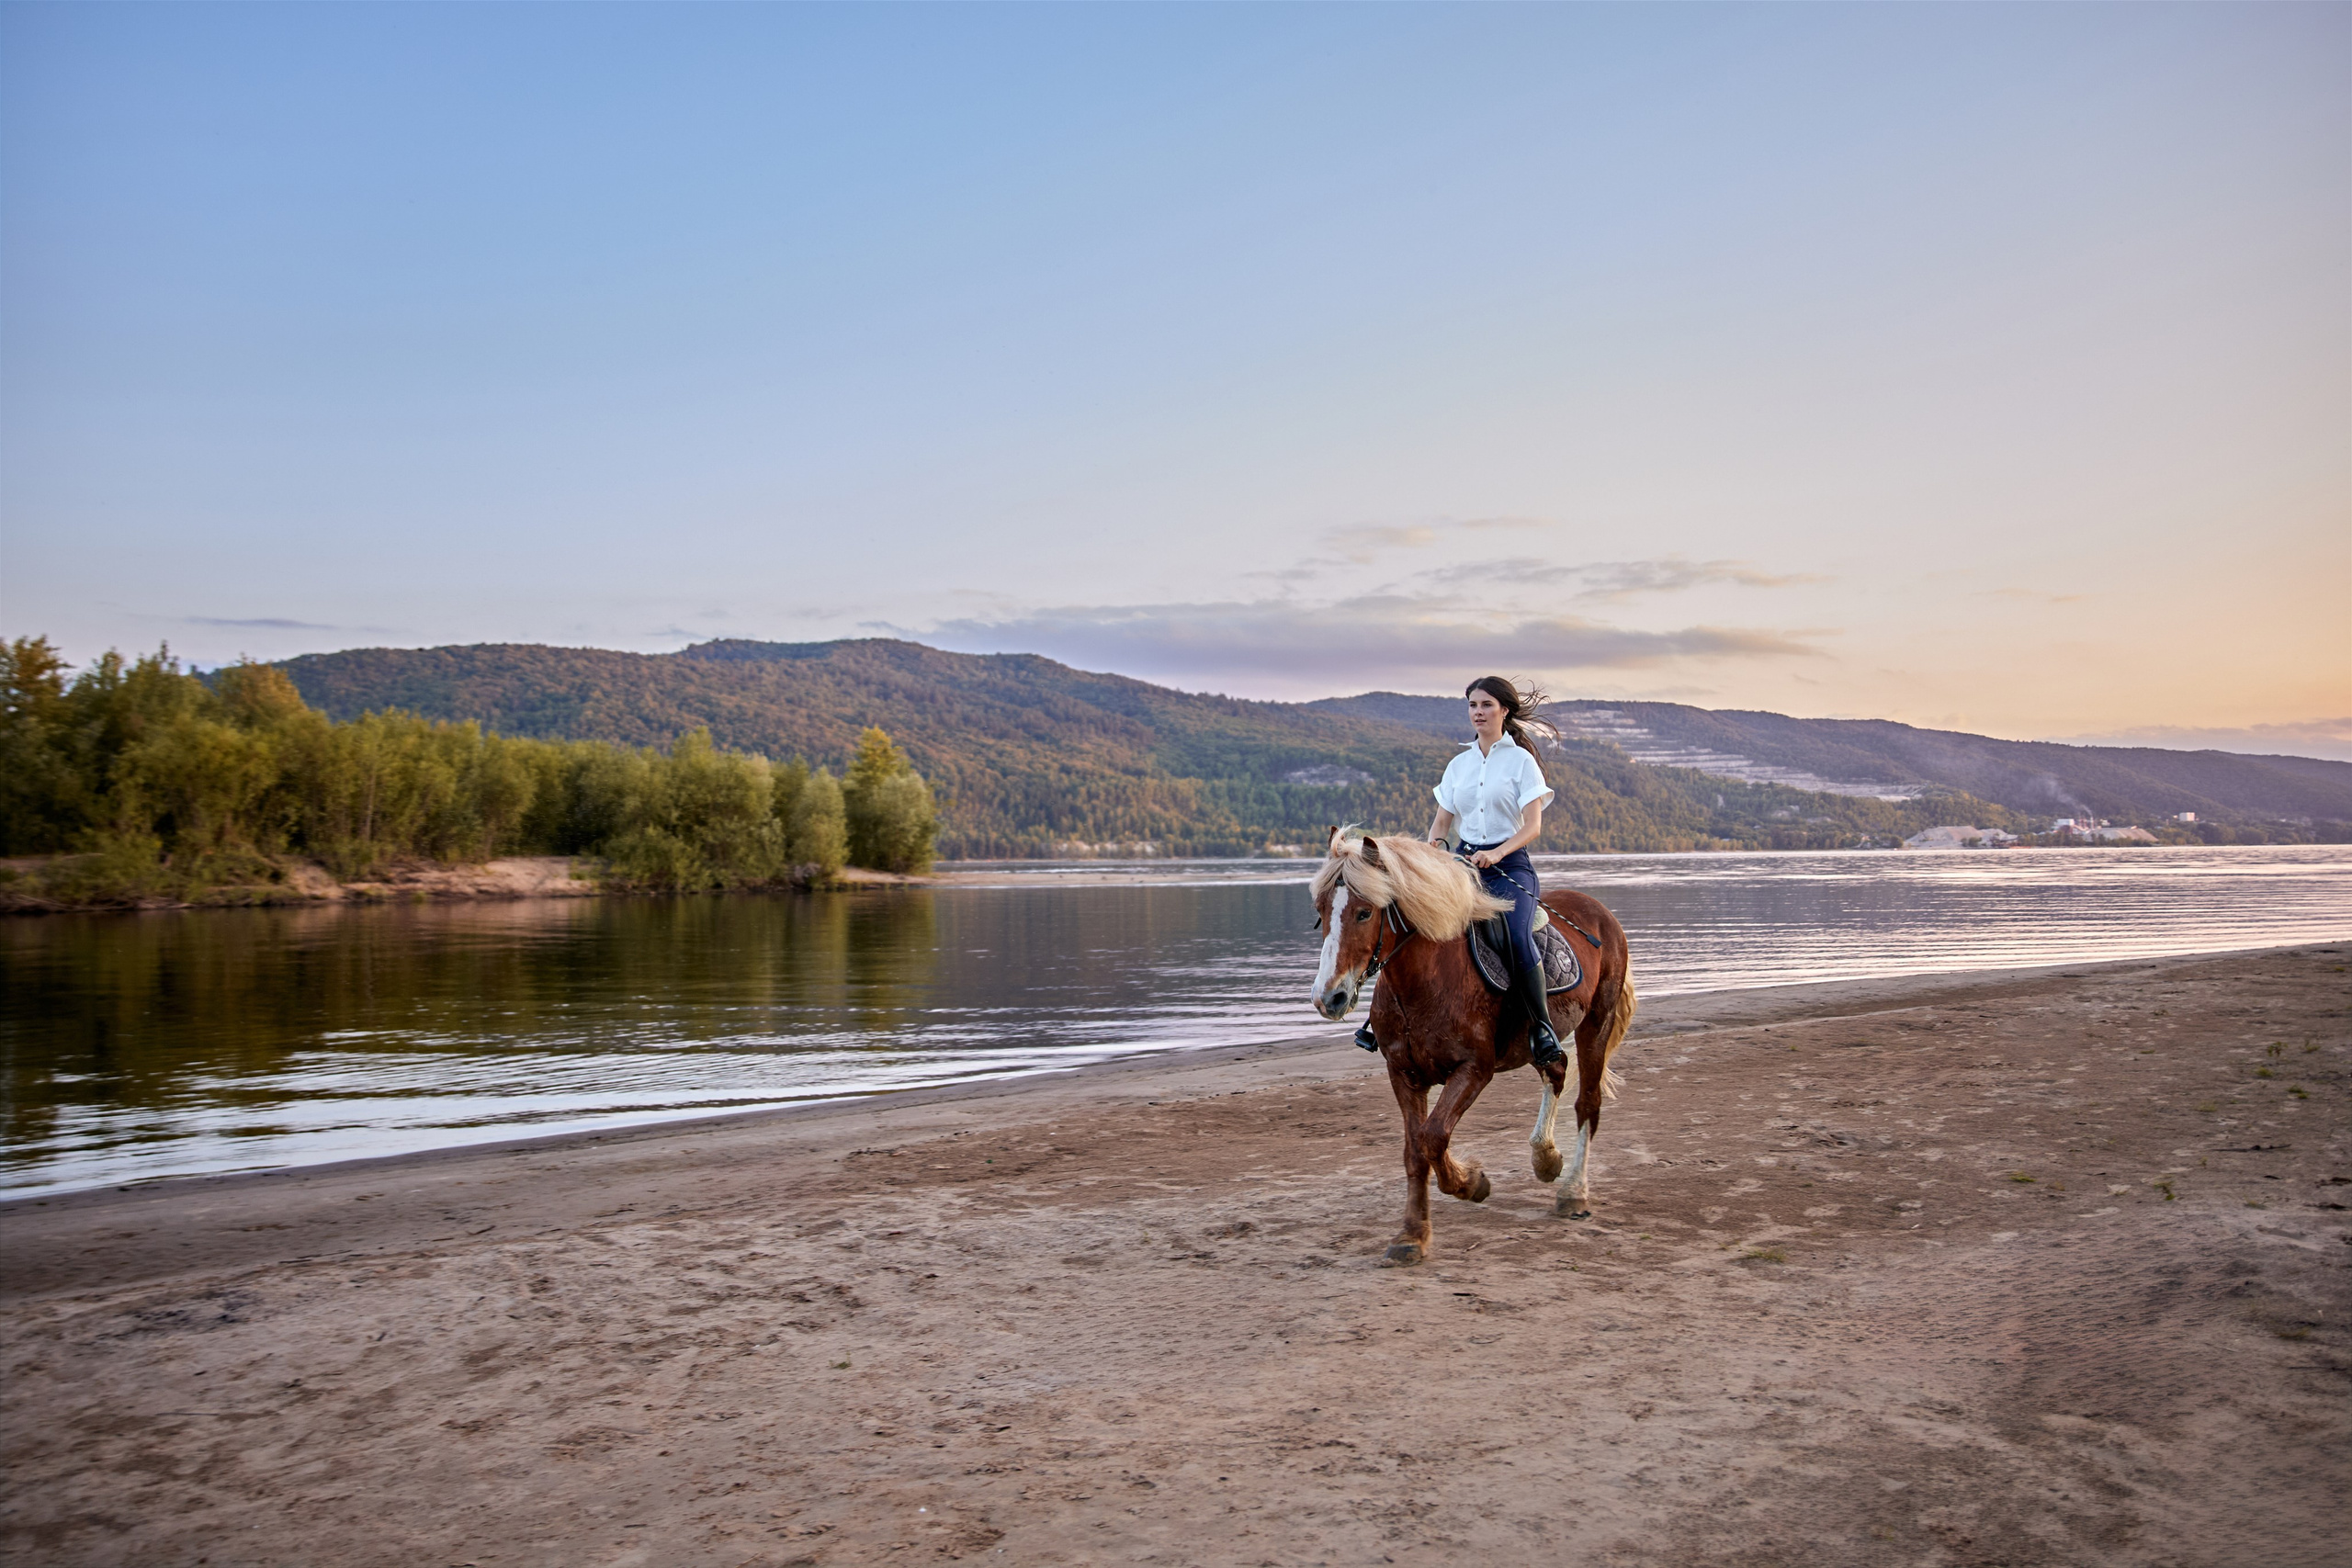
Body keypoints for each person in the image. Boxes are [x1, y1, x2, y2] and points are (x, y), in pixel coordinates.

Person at [1355, 675, 1564, 1066]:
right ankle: (1375, 1019)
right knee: (1410, 925)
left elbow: (1532, 827)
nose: (1478, 712)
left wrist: (1498, 853)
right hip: (1461, 866)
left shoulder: (1521, 762)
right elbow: (1441, 823)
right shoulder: (1458, 765)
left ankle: (1541, 1026)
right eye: (1473, 706)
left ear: (1504, 710)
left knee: (1517, 938)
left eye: (1486, 705)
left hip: (1510, 867)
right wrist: (1436, 848)